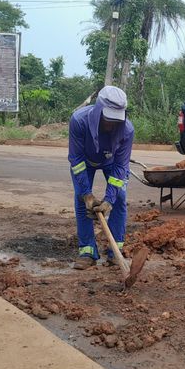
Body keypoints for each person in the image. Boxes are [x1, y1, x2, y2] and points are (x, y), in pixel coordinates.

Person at [68, 85, 134, 270]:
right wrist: (86, 193)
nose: (112, 124)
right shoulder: (79, 121)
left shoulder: (127, 130)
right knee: (81, 201)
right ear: (98, 111)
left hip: (111, 161)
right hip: (84, 162)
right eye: (108, 118)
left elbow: (121, 166)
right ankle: (87, 251)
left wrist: (109, 199)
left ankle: (115, 253)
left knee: (120, 198)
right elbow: (76, 159)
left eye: (116, 119)